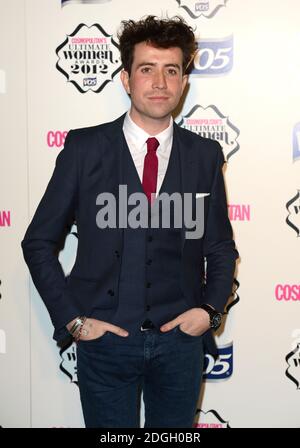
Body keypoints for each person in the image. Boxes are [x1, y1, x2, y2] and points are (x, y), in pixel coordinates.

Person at [21, 15, 239, 428]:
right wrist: (73, 319)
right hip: (104, 344)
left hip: (180, 345)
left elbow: (219, 247)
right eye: (147, 69)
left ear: (183, 82)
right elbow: (38, 243)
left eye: (171, 70)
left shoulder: (205, 155)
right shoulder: (84, 149)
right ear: (125, 79)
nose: (159, 82)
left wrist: (209, 311)